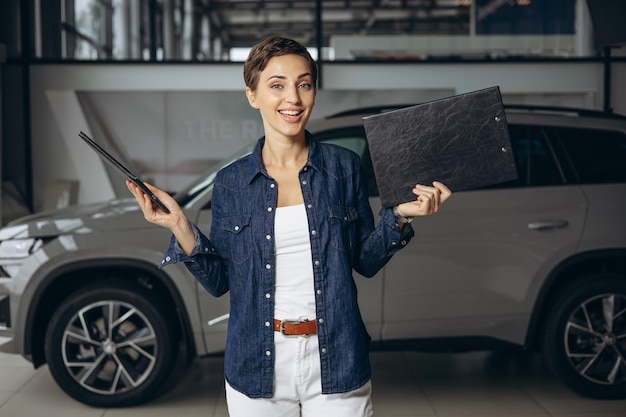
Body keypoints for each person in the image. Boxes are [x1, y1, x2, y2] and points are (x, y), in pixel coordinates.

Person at [126, 35, 452, 417]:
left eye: (304, 84)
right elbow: (219, 283)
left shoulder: (343, 167)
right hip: (257, 360)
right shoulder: (231, 182)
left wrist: (400, 216)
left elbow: (364, 260)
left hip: (337, 355)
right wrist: (180, 224)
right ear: (253, 95)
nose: (293, 99)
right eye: (277, 85)